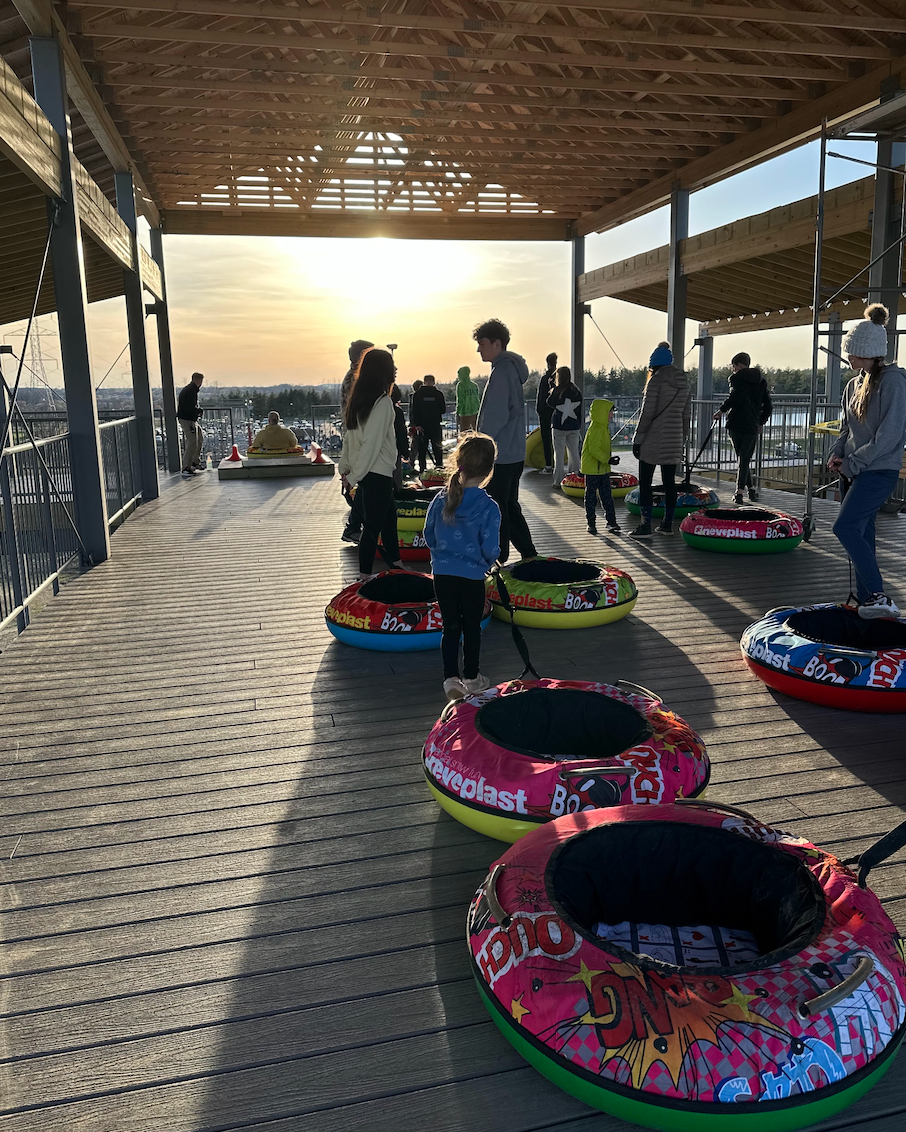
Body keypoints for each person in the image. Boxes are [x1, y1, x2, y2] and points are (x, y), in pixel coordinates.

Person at [828, 304, 906, 619]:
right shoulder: (852, 385)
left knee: (844, 527)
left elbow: (889, 435)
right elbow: (845, 428)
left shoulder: (894, 382)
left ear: (868, 352)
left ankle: (877, 595)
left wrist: (853, 463)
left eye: (852, 352)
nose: (848, 357)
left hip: (878, 470)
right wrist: (837, 454)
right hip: (854, 470)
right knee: (862, 534)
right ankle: (867, 601)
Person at [424, 434, 500, 702]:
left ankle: (450, 678)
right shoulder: (489, 507)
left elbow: (429, 534)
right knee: (471, 627)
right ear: (489, 469)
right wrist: (487, 562)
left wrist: (441, 556)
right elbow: (490, 547)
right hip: (472, 576)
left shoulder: (440, 499)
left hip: (443, 574)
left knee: (450, 626)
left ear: (459, 463)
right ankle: (471, 677)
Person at [474, 318, 538, 563]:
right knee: (508, 505)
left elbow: (496, 415)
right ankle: (529, 554)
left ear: (497, 344)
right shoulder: (510, 370)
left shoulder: (501, 372)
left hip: (500, 453)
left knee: (497, 508)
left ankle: (498, 558)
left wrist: (479, 443)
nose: (478, 349)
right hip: (514, 452)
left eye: (482, 343)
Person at [338, 348, 405, 580]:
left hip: (369, 474)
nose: (396, 369)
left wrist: (346, 469)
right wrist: (352, 476)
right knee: (372, 528)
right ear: (382, 370)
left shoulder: (358, 400)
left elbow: (350, 439)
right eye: (392, 365)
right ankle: (364, 576)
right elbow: (371, 444)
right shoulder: (383, 403)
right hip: (377, 473)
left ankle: (396, 564)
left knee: (389, 520)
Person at [630, 341, 692, 539]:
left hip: (653, 437)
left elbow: (647, 413)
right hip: (674, 438)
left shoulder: (656, 381)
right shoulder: (684, 383)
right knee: (669, 483)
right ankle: (667, 525)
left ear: (653, 365)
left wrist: (638, 439)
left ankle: (645, 525)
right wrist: (682, 438)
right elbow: (686, 415)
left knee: (645, 483)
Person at [712, 351, 772, 504]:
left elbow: (735, 397)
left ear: (738, 365)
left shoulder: (736, 378)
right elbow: (768, 405)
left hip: (736, 422)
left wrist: (721, 411)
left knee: (742, 458)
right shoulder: (761, 381)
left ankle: (739, 492)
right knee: (744, 458)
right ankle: (751, 489)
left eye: (733, 366)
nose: (733, 369)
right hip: (752, 425)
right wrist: (761, 422)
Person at [340, 339, 374, 544]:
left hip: (358, 435)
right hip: (360, 436)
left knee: (367, 483)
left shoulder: (354, 376)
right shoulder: (357, 379)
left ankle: (357, 526)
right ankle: (353, 526)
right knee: (366, 483)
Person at [581, 398, 621, 535]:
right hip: (593, 470)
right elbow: (594, 449)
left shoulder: (602, 427)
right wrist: (608, 459)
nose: (612, 415)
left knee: (607, 496)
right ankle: (591, 523)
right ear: (603, 412)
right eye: (610, 412)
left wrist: (607, 461)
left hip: (602, 469)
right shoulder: (596, 429)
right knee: (591, 498)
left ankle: (611, 522)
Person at [547, 365, 583, 487]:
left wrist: (552, 387)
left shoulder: (557, 391)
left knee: (559, 454)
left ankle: (558, 481)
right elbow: (579, 410)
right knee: (574, 453)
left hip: (559, 426)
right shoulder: (576, 391)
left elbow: (549, 402)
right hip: (573, 426)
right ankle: (574, 479)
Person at [410, 374, 447, 471]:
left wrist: (417, 424)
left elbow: (414, 410)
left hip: (422, 426)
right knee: (437, 448)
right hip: (435, 425)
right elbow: (443, 410)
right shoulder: (438, 394)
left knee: (422, 450)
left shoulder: (417, 394)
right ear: (434, 382)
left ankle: (422, 470)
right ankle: (439, 468)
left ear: (424, 382)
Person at [177, 371, 204, 478]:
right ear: (198, 380)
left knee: (199, 439)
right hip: (188, 419)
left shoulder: (190, 390)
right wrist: (198, 411)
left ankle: (194, 462)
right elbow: (188, 407)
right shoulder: (191, 391)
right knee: (192, 442)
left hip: (190, 419)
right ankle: (186, 467)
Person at [536, 352, 557, 473]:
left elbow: (541, 396)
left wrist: (539, 410)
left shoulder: (545, 378)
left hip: (545, 412)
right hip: (557, 412)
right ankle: (559, 465)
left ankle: (548, 465)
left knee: (546, 438)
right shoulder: (559, 378)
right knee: (558, 439)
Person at [389, 383, 410, 487]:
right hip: (394, 447)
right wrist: (405, 451)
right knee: (396, 474)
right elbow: (401, 432)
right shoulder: (397, 411)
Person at [455, 366, 481, 433]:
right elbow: (477, 400)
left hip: (465, 412)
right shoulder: (474, 385)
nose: (458, 376)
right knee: (477, 432)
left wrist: (457, 412)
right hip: (475, 412)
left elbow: (460, 400)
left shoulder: (461, 385)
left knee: (464, 434)